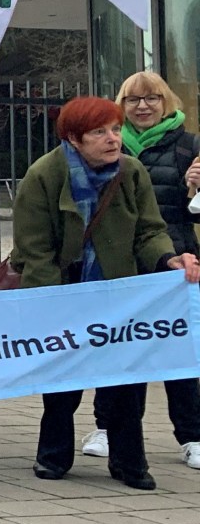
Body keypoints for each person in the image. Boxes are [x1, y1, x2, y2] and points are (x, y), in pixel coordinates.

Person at [16, 97, 200, 490]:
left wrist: (168, 259)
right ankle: (53, 456)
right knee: (63, 383)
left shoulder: (131, 172)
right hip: (66, 292)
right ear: (74, 138)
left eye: (115, 130)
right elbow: (36, 250)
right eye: (99, 132)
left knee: (125, 383)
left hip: (120, 296)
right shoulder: (44, 175)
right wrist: (51, 306)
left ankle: (129, 463)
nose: (113, 139)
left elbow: (149, 230)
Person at [87, 71, 200, 468]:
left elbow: (194, 213)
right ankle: (108, 427)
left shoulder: (190, 147)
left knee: (178, 351)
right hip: (120, 264)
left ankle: (192, 435)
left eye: (152, 98)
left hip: (174, 262)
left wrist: (194, 191)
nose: (143, 106)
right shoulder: (107, 145)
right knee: (116, 348)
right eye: (133, 100)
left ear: (166, 101)